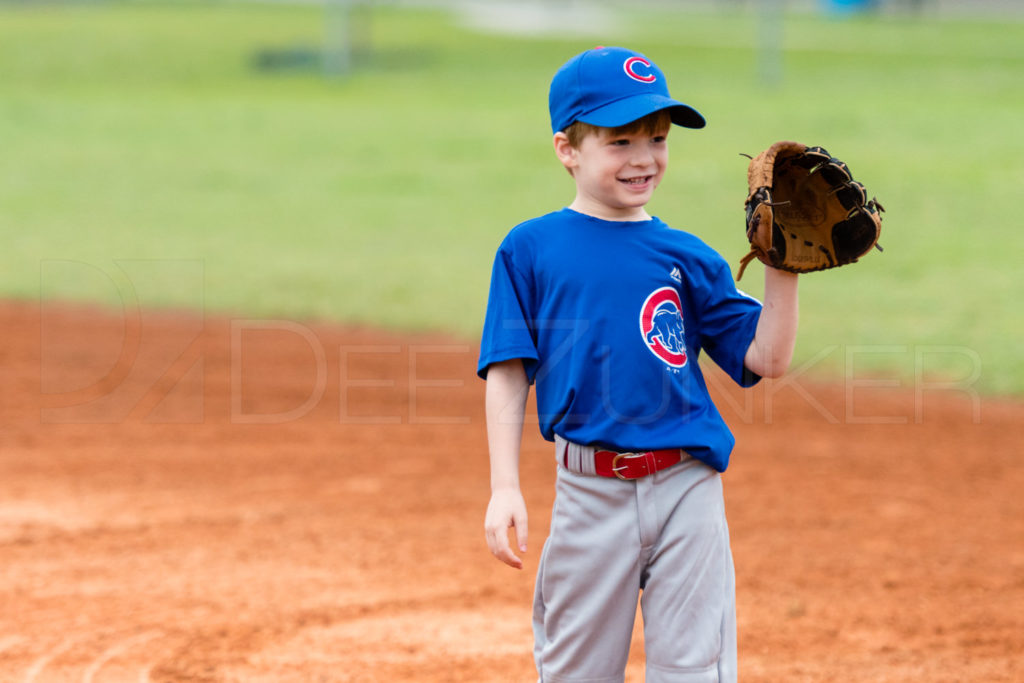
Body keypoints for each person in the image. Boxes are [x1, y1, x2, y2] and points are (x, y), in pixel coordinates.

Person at [478, 46, 799, 683]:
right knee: (577, 669)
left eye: (657, 138)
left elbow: (766, 358)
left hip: (687, 488)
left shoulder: (688, 255)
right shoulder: (530, 248)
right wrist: (505, 486)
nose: (644, 158)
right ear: (567, 148)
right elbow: (510, 370)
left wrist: (784, 266)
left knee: (694, 669)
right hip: (588, 490)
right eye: (620, 141)